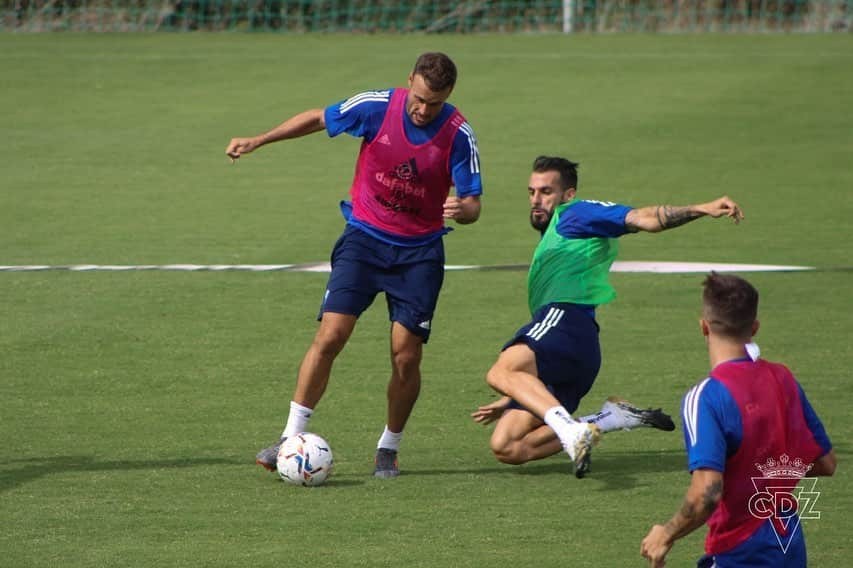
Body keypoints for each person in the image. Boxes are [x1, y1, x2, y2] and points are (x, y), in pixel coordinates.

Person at [226, 52, 482, 478]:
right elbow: (317, 118)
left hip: (418, 254)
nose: (423, 110)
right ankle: (289, 439)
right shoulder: (376, 106)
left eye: (433, 103)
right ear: (409, 83)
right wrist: (260, 139)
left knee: (405, 356)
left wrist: (463, 209)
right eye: (418, 99)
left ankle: (388, 447)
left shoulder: (458, 134)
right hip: (364, 240)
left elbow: (474, 203)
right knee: (330, 334)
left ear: (448, 96)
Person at [472, 156, 743, 478]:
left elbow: (642, 218)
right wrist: (516, 393)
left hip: (565, 321)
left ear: (568, 194)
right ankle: (608, 419)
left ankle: (570, 431)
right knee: (507, 447)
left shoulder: (575, 213)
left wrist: (702, 208)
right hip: (573, 349)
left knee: (501, 370)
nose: (535, 199)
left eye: (545, 191)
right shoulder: (558, 231)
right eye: (531, 192)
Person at [641, 273, 836, 567]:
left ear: (703, 327)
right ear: (754, 327)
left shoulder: (706, 397)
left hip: (741, 550)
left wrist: (665, 534)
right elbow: (825, 462)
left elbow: (707, 492)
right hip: (788, 544)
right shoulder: (782, 378)